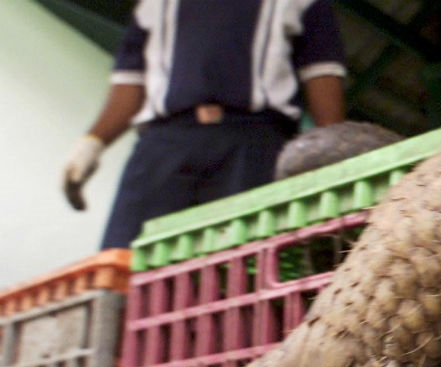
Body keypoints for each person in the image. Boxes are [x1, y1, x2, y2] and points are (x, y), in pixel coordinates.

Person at [63, 0, 347, 249]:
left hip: (254, 145)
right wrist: (92, 143)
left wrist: (332, 158)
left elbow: (322, 74)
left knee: (239, 265)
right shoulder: (154, 4)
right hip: (164, 145)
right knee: (128, 259)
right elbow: (131, 82)